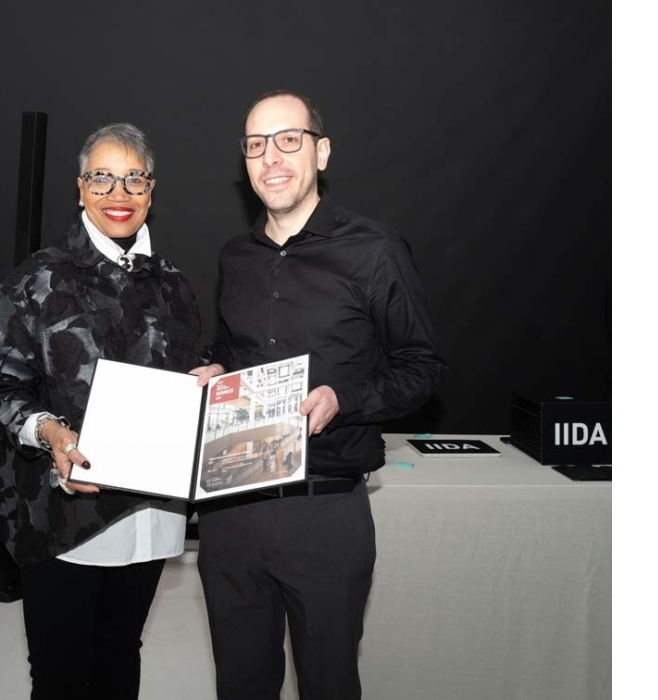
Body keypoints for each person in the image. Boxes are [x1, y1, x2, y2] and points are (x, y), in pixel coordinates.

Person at [189, 90, 448, 699]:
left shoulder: (375, 250)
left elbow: (422, 365)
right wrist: (213, 370)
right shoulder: (236, 258)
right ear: (244, 163)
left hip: (325, 511)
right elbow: (233, 350)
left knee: (329, 683)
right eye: (256, 146)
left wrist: (346, 399)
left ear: (321, 151)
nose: (271, 158)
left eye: (288, 140)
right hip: (231, 509)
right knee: (241, 684)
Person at [0, 123, 203, 700]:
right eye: (102, 177)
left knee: (121, 648)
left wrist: (209, 376)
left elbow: (187, 368)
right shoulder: (37, 279)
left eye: (132, 178)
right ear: (79, 188)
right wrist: (48, 430)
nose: (117, 192)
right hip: (62, 508)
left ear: (151, 189)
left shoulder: (173, 283)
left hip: (149, 508)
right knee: (60, 668)